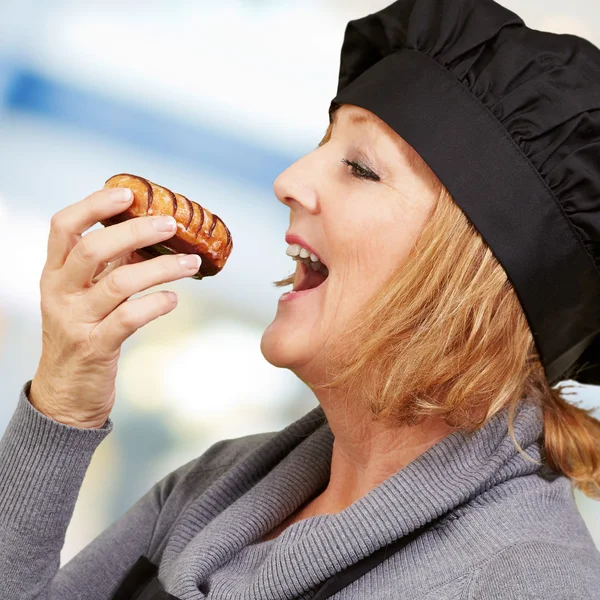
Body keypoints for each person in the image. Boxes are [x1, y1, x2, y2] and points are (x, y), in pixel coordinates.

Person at [2, 0, 600, 598]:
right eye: (323, 144)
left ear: (477, 273)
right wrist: (63, 402)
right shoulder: (215, 490)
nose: (289, 180)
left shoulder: (532, 583)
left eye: (360, 168)